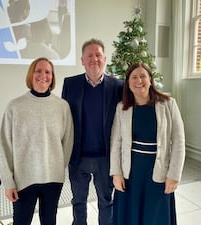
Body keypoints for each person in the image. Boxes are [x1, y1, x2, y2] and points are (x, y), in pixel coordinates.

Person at [0, 57, 74, 225]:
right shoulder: (15, 106)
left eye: (48, 72)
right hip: (24, 179)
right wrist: (8, 182)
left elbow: (68, 142)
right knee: (21, 221)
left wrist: (57, 166)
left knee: (49, 220)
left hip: (53, 177)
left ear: (52, 77)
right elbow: (5, 146)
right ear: (30, 75)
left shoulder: (62, 106)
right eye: (38, 70)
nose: (43, 75)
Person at [110, 62, 185, 225]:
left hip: (158, 173)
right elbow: (116, 142)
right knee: (129, 216)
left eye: (143, 76)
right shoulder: (122, 107)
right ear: (128, 83)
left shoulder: (168, 104)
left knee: (155, 216)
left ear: (150, 80)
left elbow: (179, 141)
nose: (139, 81)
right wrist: (116, 173)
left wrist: (174, 175)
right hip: (130, 173)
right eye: (134, 77)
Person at [62, 38, 123, 225]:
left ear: (105, 59)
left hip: (105, 157)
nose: (94, 59)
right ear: (82, 60)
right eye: (89, 55)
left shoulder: (118, 86)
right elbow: (64, 119)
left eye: (98, 55)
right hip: (78, 157)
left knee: (106, 201)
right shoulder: (70, 84)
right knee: (78, 201)